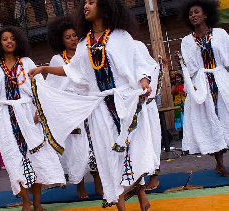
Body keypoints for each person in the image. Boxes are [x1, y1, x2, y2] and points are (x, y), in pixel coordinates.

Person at [29, 0, 158, 210]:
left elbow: (136, 62)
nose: (86, 6)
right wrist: (45, 69)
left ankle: (142, 193)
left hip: (124, 101)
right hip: (100, 110)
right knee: (109, 156)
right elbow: (73, 72)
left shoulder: (120, 36)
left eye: (91, 2)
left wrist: (144, 80)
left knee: (132, 149)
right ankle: (120, 205)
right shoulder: (84, 44)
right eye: (85, 3)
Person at [0, 26, 65, 211]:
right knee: (13, 160)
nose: (9, 41)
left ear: (18, 42)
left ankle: (37, 203)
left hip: (28, 114)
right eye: (5, 39)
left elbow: (38, 89)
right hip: (6, 119)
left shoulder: (27, 62)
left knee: (35, 157)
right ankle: (26, 201)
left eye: (12, 38)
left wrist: (39, 112)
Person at [47, 16, 103, 199]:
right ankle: (79, 186)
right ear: (60, 40)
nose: (72, 39)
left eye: (74, 35)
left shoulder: (85, 54)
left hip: (89, 105)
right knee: (76, 149)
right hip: (70, 109)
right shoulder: (57, 60)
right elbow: (52, 87)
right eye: (67, 37)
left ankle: (99, 183)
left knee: (96, 144)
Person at [175, 0, 229, 177]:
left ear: (206, 14)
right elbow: (189, 69)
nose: (193, 16)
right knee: (209, 121)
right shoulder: (187, 41)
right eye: (190, 14)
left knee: (225, 117)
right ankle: (219, 163)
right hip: (202, 86)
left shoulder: (220, 34)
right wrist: (181, 63)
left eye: (197, 12)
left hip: (221, 81)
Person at [171, 72, 185, 139]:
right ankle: (180, 133)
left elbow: (187, 91)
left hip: (184, 101)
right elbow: (172, 93)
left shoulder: (184, 84)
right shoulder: (174, 84)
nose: (178, 79)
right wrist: (176, 85)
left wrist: (182, 92)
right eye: (176, 78)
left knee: (185, 117)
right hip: (177, 102)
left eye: (178, 77)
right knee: (179, 117)